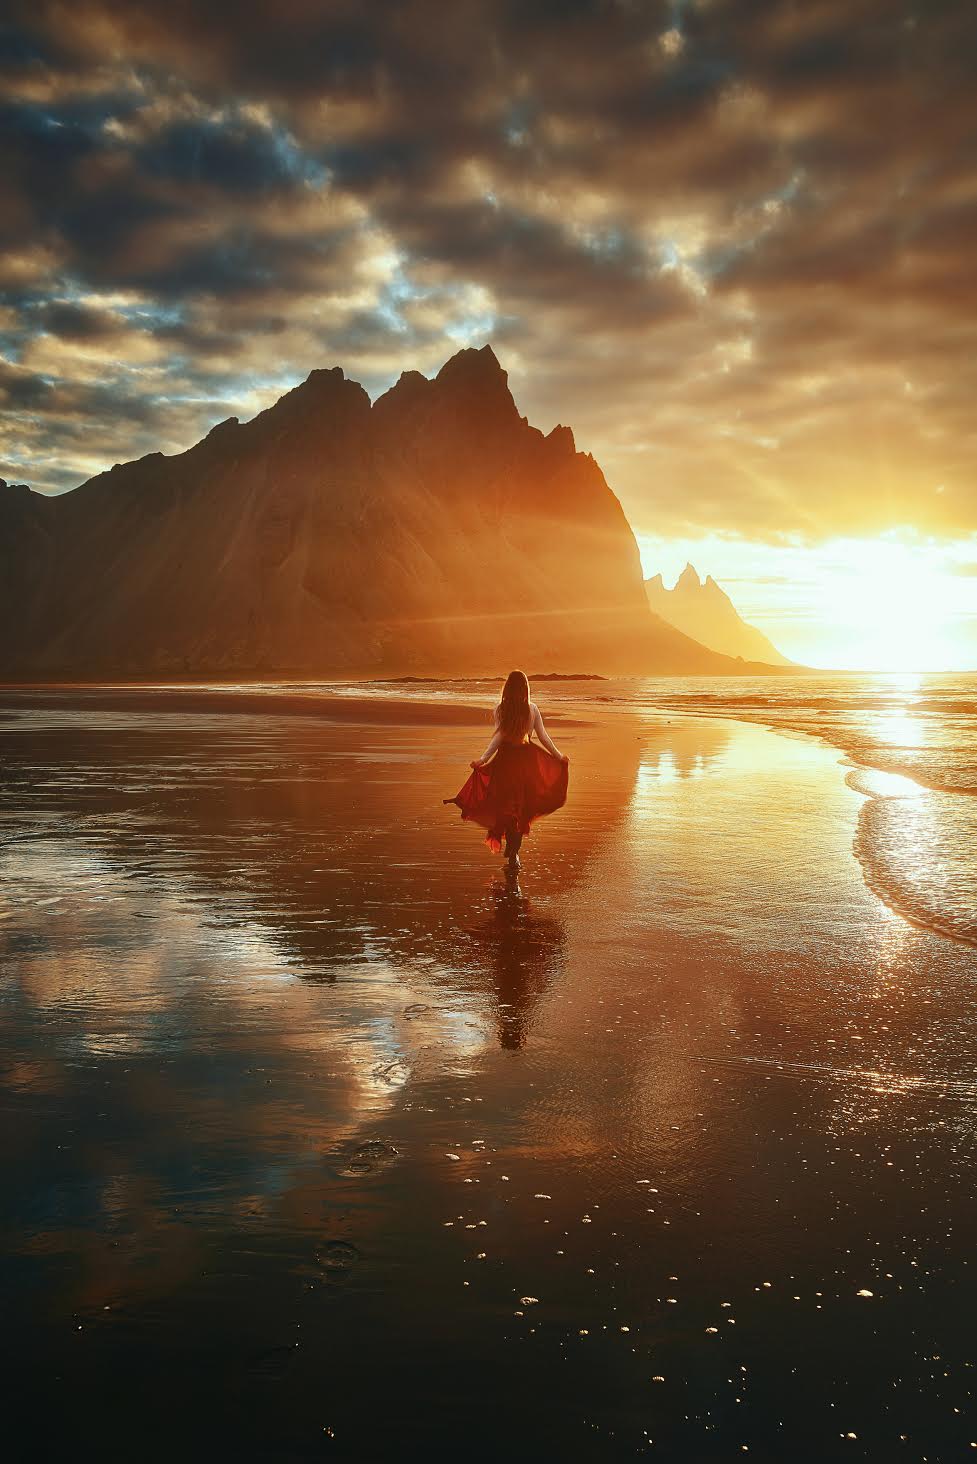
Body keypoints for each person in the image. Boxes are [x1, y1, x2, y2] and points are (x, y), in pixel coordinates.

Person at [443, 670, 569, 870]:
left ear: (507, 688)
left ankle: (513, 853)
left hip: (505, 763)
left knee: (506, 808)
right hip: (527, 763)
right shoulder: (532, 709)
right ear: (526, 688)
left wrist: (484, 759)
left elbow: (498, 738)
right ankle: (514, 851)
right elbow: (543, 737)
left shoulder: (500, 709)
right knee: (521, 809)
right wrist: (558, 756)